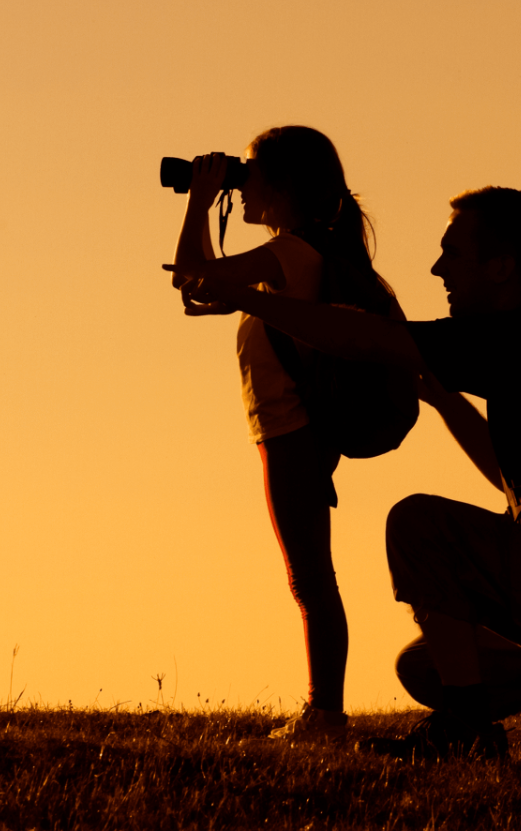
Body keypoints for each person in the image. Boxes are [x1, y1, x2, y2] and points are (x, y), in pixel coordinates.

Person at [182, 185, 521, 770]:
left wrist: (249, 299)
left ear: (500, 268)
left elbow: (363, 339)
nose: (437, 268)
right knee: (425, 666)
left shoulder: (518, 338)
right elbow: (509, 476)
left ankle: (468, 728)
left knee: (417, 522)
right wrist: (446, 403)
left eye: (453, 253)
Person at [169, 126, 401, 744]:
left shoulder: (295, 251)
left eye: (248, 174)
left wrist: (198, 199)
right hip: (296, 429)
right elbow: (204, 289)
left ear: (284, 185)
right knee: (310, 573)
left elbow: (191, 273)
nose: (239, 187)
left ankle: (324, 713)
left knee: (309, 576)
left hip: (291, 430)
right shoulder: (305, 251)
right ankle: (324, 709)